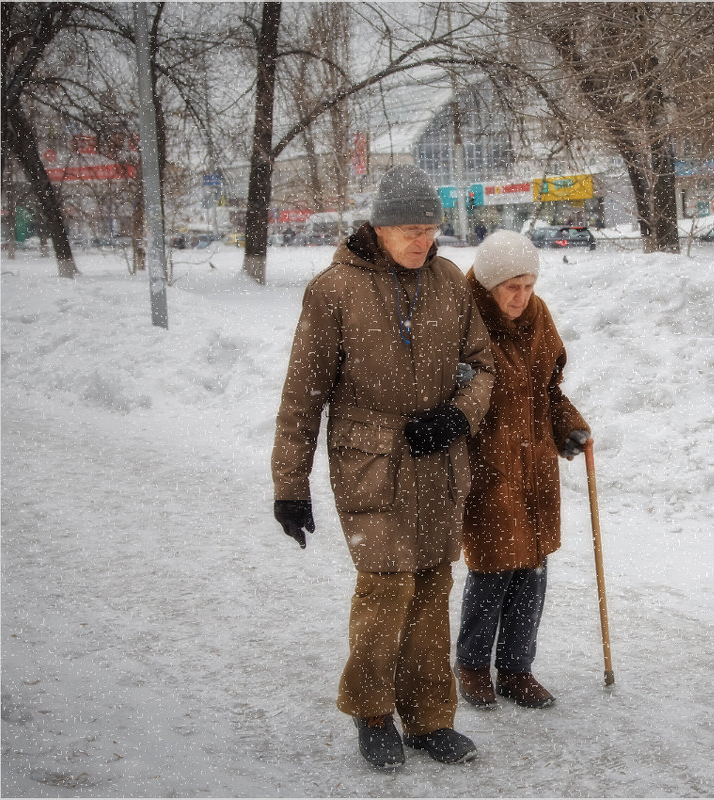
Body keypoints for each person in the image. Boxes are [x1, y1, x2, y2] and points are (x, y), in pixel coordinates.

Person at [271, 164, 495, 770]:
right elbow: (302, 396)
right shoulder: (333, 291)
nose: (423, 242)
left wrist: (458, 416)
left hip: (438, 462)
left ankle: (428, 719)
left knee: (431, 585)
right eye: (409, 230)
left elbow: (483, 366)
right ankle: (373, 713)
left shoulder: (450, 281)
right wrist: (290, 487)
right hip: (370, 462)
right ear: (379, 226)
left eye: (430, 229)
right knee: (387, 586)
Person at [454, 230, 590, 710]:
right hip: (487, 467)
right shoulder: (464, 319)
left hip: (534, 468)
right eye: (512, 285)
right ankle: (471, 664)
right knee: (492, 568)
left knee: (531, 569)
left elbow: (549, 389)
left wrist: (569, 427)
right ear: (489, 283)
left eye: (529, 284)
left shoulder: (538, 317)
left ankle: (516, 668)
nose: (522, 296)